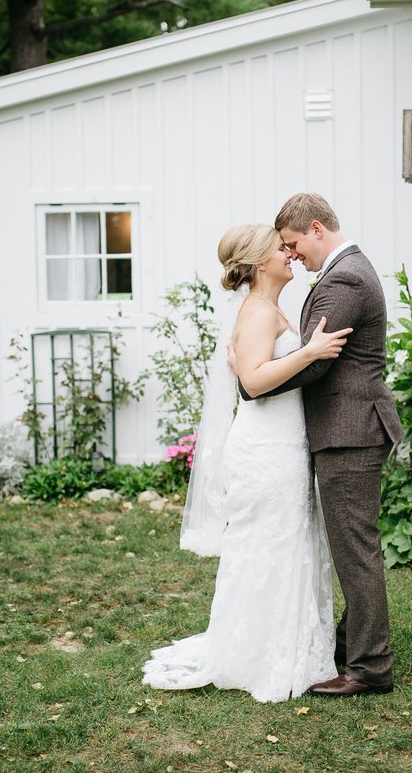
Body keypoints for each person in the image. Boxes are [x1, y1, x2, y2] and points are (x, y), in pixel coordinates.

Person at [142, 223, 353, 703]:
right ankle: (262, 652)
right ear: (260, 262)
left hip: (281, 442)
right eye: (282, 249)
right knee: (270, 542)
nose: (290, 256)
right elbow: (255, 384)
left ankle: (280, 643)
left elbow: (252, 373)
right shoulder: (258, 312)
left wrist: (294, 354)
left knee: (281, 541)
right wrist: (312, 352)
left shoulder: (267, 309)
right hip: (267, 449)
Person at [249, 193, 403, 697]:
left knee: (356, 551)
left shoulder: (346, 278)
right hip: (346, 430)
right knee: (352, 547)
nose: (292, 255)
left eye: (293, 244)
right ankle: (349, 642)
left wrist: (253, 381)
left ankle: (369, 668)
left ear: (316, 228)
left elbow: (317, 362)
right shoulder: (344, 272)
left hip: (350, 432)